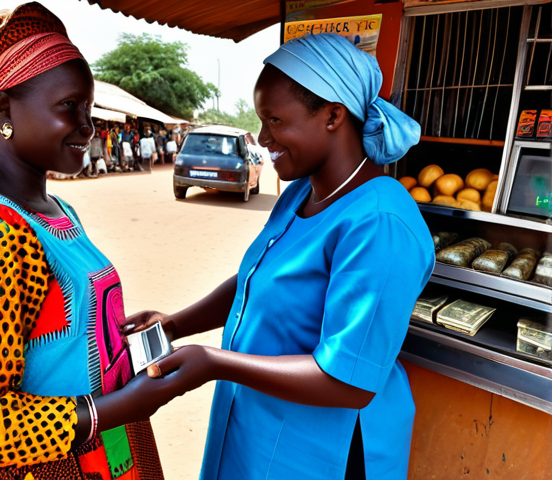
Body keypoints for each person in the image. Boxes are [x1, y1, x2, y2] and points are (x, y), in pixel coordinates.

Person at [123, 33, 433, 480]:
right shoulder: (301, 195)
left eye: (275, 120)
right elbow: (257, 280)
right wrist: (175, 324)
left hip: (324, 450)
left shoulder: (380, 222)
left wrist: (215, 362)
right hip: (260, 425)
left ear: (332, 116)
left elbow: (348, 380)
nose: (263, 137)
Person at [0, 4, 178, 479]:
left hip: (101, 451)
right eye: (69, 107)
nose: (88, 129)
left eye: (89, 110)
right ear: (3, 110)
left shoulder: (53, 211)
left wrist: (111, 329)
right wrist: (114, 407)